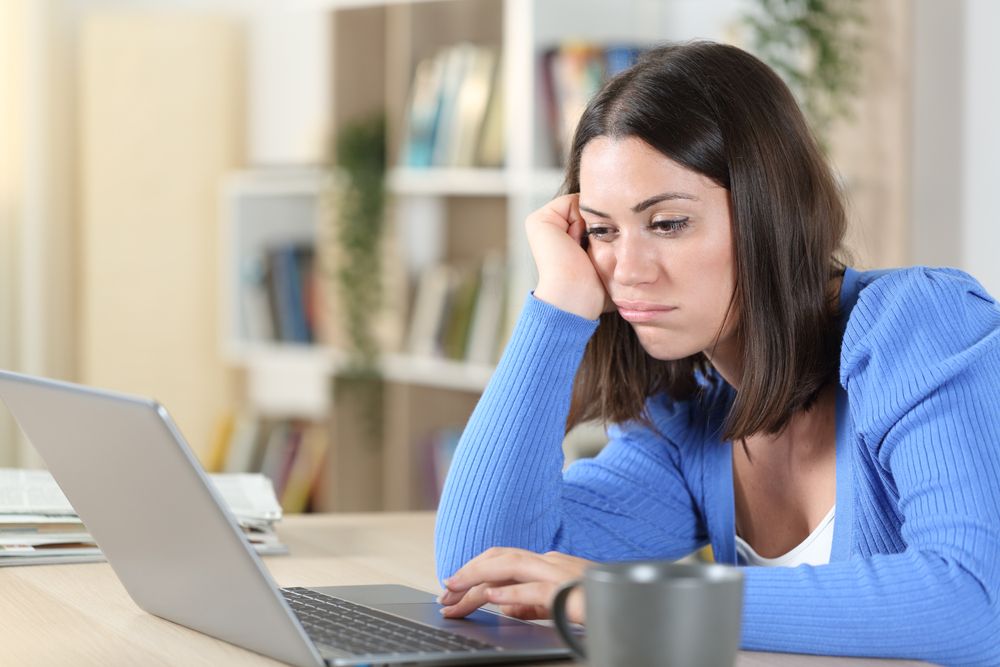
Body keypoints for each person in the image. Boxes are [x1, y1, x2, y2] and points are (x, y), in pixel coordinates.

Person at [432, 41, 1000, 664]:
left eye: (668, 223)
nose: (627, 271)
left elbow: (973, 601)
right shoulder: (690, 421)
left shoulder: (921, 324)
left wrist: (624, 597)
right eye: (602, 230)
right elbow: (482, 575)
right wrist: (558, 306)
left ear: (769, 212)